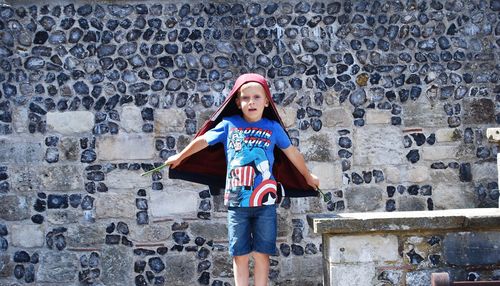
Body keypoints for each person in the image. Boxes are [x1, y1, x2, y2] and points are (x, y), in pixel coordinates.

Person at [165, 73, 319, 286]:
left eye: (257, 97)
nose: (251, 102)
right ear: (237, 103)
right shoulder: (229, 124)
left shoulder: (273, 128)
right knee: (240, 254)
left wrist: (307, 176)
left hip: (265, 203)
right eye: (245, 98)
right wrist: (180, 156)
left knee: (262, 254)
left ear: (267, 102)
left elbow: (292, 154)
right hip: (237, 204)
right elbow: (202, 141)